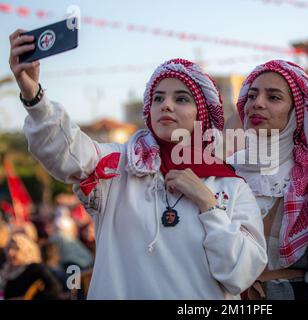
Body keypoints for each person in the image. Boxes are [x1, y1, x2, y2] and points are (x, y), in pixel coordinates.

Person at [9, 29, 267, 299]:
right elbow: (67, 152)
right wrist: (34, 96)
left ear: (201, 112)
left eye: (181, 98)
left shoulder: (231, 186)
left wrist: (207, 204)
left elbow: (240, 273)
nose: (166, 105)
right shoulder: (119, 166)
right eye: (158, 98)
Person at [229, 60, 308, 300]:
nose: (257, 103)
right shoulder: (225, 171)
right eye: (252, 95)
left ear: (295, 114)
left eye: (274, 97)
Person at [0, 232, 62, 300]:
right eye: (9, 248)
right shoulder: (6, 268)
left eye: (16, 249)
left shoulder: (35, 268)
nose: (10, 253)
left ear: (26, 250)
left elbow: (54, 289)